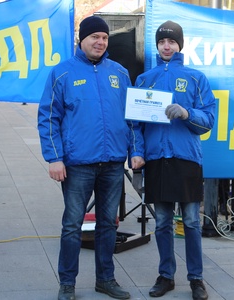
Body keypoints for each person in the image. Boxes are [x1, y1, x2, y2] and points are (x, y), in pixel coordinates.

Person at [38, 16, 132, 300]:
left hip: (113, 163)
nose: (100, 42)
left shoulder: (120, 73)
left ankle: (106, 279)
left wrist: (135, 152)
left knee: (108, 224)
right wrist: (54, 158)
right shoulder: (62, 73)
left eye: (104, 37)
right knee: (72, 225)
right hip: (78, 165)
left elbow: (133, 119)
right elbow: (48, 118)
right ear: (82, 40)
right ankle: (67, 283)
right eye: (95, 37)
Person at [129, 20, 215, 300]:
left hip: (186, 159)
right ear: (157, 45)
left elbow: (209, 121)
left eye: (172, 42)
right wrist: (137, 152)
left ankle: (196, 279)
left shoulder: (195, 78)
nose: (167, 46)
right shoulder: (145, 79)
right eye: (162, 42)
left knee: (190, 221)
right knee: (163, 222)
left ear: (180, 44)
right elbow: (135, 124)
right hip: (156, 160)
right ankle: (166, 275)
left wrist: (188, 114)